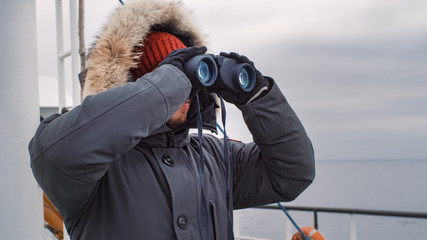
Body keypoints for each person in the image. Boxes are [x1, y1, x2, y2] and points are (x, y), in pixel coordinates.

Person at [29, 0, 315, 239]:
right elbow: (53, 156)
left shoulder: (214, 157)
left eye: (189, 81)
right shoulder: (98, 169)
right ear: (137, 83)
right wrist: (168, 85)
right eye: (172, 79)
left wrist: (258, 97)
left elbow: (292, 174)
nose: (187, 90)